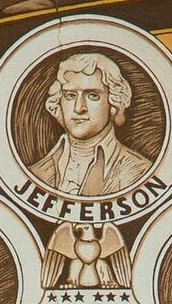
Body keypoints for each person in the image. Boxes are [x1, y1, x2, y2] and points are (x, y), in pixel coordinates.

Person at [26, 50, 153, 199]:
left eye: (92, 95)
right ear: (58, 103)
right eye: (70, 95)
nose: (79, 108)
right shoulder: (34, 174)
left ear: (114, 103)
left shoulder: (141, 173)